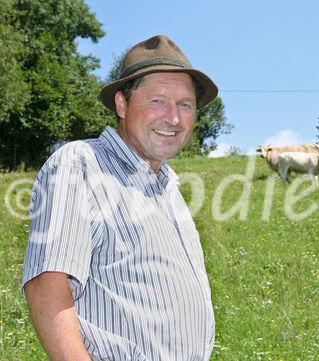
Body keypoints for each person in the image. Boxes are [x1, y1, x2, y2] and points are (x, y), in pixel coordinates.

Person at [21, 35, 218, 361]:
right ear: (122, 104)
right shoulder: (82, 163)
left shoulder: (168, 188)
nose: (173, 117)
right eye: (158, 101)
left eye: (185, 105)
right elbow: (47, 285)